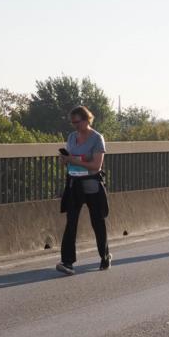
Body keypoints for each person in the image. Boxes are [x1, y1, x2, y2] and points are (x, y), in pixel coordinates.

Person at [56, 106, 110, 275]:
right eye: (72, 123)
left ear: (87, 120)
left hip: (91, 184)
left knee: (97, 222)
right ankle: (67, 262)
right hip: (74, 184)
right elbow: (68, 161)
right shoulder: (72, 137)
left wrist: (75, 160)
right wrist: (65, 159)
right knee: (71, 223)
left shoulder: (97, 138)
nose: (75, 126)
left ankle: (105, 256)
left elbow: (95, 166)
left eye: (77, 122)